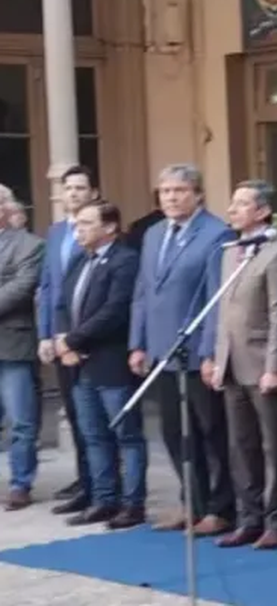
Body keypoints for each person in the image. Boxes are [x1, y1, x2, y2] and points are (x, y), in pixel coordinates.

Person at [129, 164, 235, 535]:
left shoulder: (217, 234)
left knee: (210, 433)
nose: (171, 198)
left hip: (195, 351)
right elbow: (143, 291)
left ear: (198, 194)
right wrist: (138, 343)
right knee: (174, 433)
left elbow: (216, 300)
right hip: (162, 351)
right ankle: (192, 503)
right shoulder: (154, 233)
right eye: (165, 191)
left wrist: (209, 352)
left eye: (179, 190)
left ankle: (221, 508)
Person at [203, 180, 277, 550]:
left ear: (263, 211)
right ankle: (249, 518)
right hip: (232, 365)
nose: (232, 210)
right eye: (232, 203)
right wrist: (216, 358)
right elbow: (222, 312)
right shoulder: (230, 251)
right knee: (241, 448)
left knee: (275, 448)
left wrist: (275, 366)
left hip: (262, 365)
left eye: (242, 204)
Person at [54, 200, 146, 529]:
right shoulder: (81, 260)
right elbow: (62, 304)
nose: (78, 230)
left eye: (86, 223)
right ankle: (103, 499)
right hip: (81, 364)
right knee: (93, 435)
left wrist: (72, 340)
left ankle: (133, 504)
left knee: (126, 436)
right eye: (77, 224)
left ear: (109, 227)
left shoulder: (125, 260)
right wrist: (64, 340)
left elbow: (115, 311)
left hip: (111, 361)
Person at [38, 165, 99, 512]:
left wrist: (75, 337)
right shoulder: (57, 231)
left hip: (88, 336)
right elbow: (48, 288)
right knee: (75, 413)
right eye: (68, 188)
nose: (73, 193)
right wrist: (46, 334)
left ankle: (104, 483)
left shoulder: (100, 229)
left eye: (80, 187)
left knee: (95, 416)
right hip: (59, 337)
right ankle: (85, 479)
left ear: (93, 193)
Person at [0, 184, 45, 511]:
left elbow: (21, 287)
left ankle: (20, 484)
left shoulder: (30, 245)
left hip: (13, 345)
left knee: (21, 420)